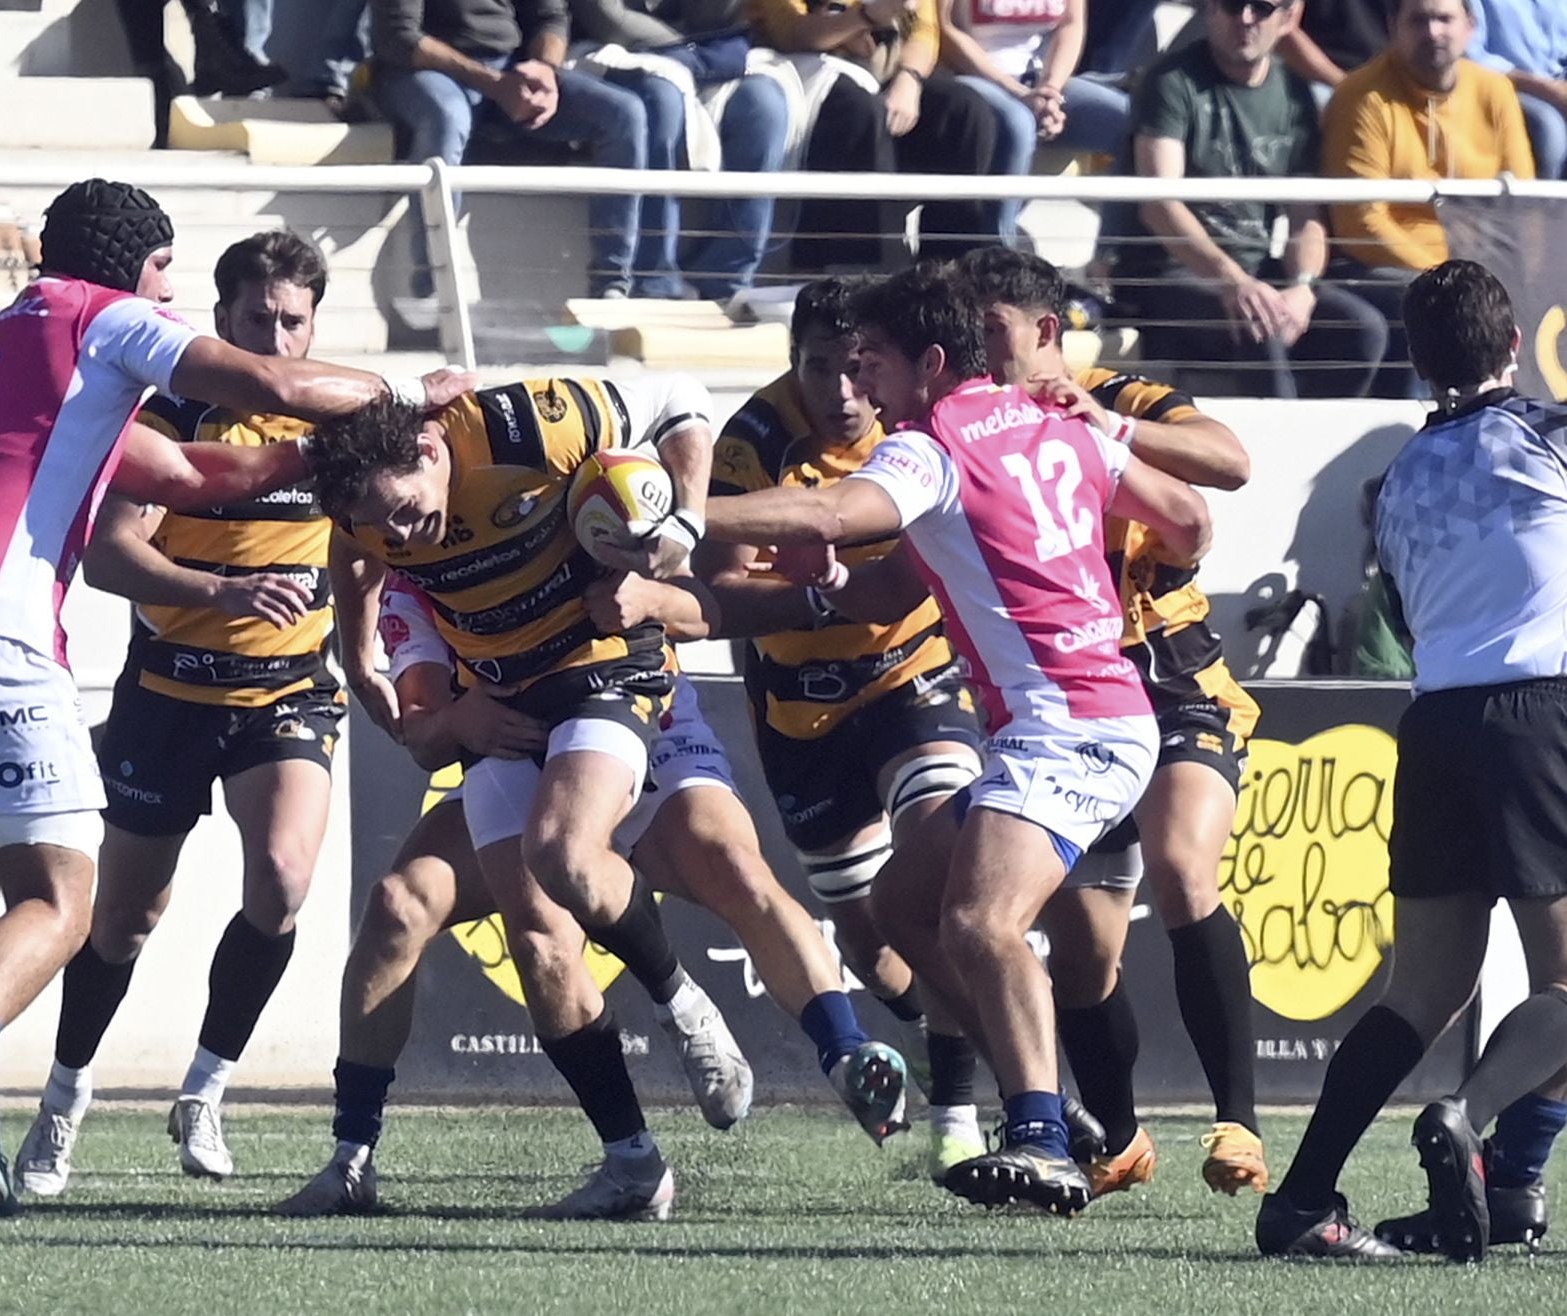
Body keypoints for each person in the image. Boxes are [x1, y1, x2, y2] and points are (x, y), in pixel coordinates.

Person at [0, 177, 471, 1216]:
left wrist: (316, 455)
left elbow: (185, 469)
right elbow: (267, 381)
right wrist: (403, 400)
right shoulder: (109, 315)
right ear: (133, 267)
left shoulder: (7, 335)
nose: (171, 289)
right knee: (63, 900)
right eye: (167, 269)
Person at [304, 375, 907, 1212]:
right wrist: (379, 673)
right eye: (380, 524)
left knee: (705, 859)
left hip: (608, 672)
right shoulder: (378, 526)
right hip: (510, 714)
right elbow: (414, 704)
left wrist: (681, 528)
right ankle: (630, 1163)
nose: (402, 533)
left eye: (406, 510)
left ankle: (818, 1044)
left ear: (433, 447)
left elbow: (677, 402)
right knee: (538, 936)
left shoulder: (525, 426)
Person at [704, 265, 1212, 1216]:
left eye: (878, 365)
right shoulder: (1059, 422)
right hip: (1093, 712)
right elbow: (1189, 520)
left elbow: (826, 509)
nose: (865, 390)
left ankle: (1043, 1139)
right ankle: (1053, 1109)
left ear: (931, 363)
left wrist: (674, 508)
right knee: (905, 904)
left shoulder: (931, 442)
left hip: (1067, 727)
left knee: (982, 923)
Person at [8, 230, 353, 1196]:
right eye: (259, 320)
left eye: (294, 320)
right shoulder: (174, 414)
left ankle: (204, 1090)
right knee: (123, 918)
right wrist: (225, 593)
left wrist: (369, 651)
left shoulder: (340, 415)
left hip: (287, 691)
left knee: (283, 882)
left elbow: (380, 536)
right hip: (169, 691)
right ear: (223, 321)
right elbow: (112, 556)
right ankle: (63, 1105)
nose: (278, 338)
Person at [1257, 260, 1567, 1261]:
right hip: (1542, 710)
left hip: (1434, 722)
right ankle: (1472, 1124)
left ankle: (1304, 1198)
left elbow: (1397, 606)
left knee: (1423, 990)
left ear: (1419, 356)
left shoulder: (1390, 482)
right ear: (1513, 342)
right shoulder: (1549, 435)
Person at [959, 246, 1269, 1200]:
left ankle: (1240, 1124)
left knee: (1181, 867)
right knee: (1085, 958)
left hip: (1171, 679)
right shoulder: (970, 427)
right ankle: (1121, 1140)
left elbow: (1230, 462)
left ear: (1046, 333)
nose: (979, 350)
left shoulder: (1115, 395)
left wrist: (1111, 429)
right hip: (1067, 699)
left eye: (995, 331)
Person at [676, 277, 988, 1176]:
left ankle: (960, 1115)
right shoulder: (751, 444)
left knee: (931, 877)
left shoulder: (916, 425)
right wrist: (813, 593)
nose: (845, 391)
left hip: (910, 676)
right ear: (793, 363)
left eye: (859, 369)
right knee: (865, 938)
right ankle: (941, 1041)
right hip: (800, 708)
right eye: (821, 368)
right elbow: (723, 592)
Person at [1115, 0, 1388, 400]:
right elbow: (1160, 205)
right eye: (1231, 5)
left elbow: (1306, 215)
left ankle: (1325, 452)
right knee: (1261, 325)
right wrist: (1234, 281)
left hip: (1258, 272)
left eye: (1261, 7)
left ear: (1286, 18)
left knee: (1364, 328)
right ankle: (1281, 454)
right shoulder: (1170, 80)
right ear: (1210, 10)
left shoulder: (1294, 91)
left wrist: (1303, 286)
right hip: (1171, 273)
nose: (1245, 18)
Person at [369, 0, 681, 298]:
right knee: (447, 120)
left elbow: (551, 18)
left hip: (508, 69)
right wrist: (494, 83)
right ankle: (433, 285)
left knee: (623, 114)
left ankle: (611, 283)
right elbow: (399, 36)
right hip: (425, 72)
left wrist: (545, 70)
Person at [1322, 0, 1534, 393]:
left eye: (1444, 19)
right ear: (1392, 28)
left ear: (1469, 27)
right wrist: (1445, 277)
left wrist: (1484, 278)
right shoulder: (1363, 96)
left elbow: (1523, 206)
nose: (1433, 32)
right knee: (1429, 309)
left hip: (1478, 268)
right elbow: (1360, 223)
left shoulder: (1494, 91)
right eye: (1419, 21)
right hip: (1387, 265)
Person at [746, 0, 1000, 267]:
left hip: (886, 67)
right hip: (805, 68)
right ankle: (847, 274)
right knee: (857, 111)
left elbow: (924, 32)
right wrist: (865, 16)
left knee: (964, 111)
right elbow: (793, 33)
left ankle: (948, 274)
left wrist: (909, 78)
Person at [570, 0, 791, 300]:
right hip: (617, 48)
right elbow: (606, 17)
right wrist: (681, 48)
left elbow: (721, 15)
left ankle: (726, 279)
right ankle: (652, 278)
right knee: (662, 100)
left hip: (712, 52)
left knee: (765, 107)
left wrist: (694, 50)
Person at [936, 0, 1130, 244]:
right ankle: (998, 254)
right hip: (971, 76)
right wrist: (1018, 92)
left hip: (1039, 81)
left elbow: (1071, 25)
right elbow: (947, 29)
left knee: (1130, 121)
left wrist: (1051, 90)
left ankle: (1114, 255)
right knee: (1018, 124)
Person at [1467, 0, 1567, 179]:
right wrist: (1549, 91)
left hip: (1557, 85)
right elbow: (1472, 57)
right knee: (1550, 127)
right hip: (1505, 87)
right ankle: (1542, 204)